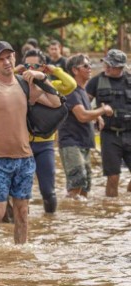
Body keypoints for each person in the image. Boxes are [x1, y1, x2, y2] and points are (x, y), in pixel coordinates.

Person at [0, 41, 62, 245]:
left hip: (24, 158)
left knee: (22, 212)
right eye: (1, 59)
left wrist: (42, 78)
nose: (7, 62)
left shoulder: (26, 84)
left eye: (10, 57)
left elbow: (56, 102)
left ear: (15, 57)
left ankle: (19, 255)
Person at [18, 48, 77, 213]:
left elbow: (71, 85)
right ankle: (22, 227)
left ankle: (50, 222)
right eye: (27, 65)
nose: (30, 69)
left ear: (43, 66)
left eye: (35, 65)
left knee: (48, 191)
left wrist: (52, 71)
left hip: (45, 145)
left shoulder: (50, 84)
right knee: (21, 193)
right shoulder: (16, 84)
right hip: (22, 144)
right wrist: (16, 70)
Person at [58, 54, 113, 199]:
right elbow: (82, 116)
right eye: (86, 66)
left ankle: (78, 218)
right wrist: (103, 110)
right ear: (75, 70)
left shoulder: (82, 91)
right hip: (71, 143)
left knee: (85, 187)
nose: (90, 69)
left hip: (84, 144)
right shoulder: (71, 91)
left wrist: (97, 117)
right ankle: (67, 216)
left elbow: (86, 112)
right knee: (76, 184)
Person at [86, 49, 131, 197]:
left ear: (121, 67)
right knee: (113, 177)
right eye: (106, 64)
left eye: (111, 65)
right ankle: (111, 210)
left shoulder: (129, 80)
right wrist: (96, 115)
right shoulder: (97, 81)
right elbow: (83, 103)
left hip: (129, 133)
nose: (107, 67)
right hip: (109, 135)